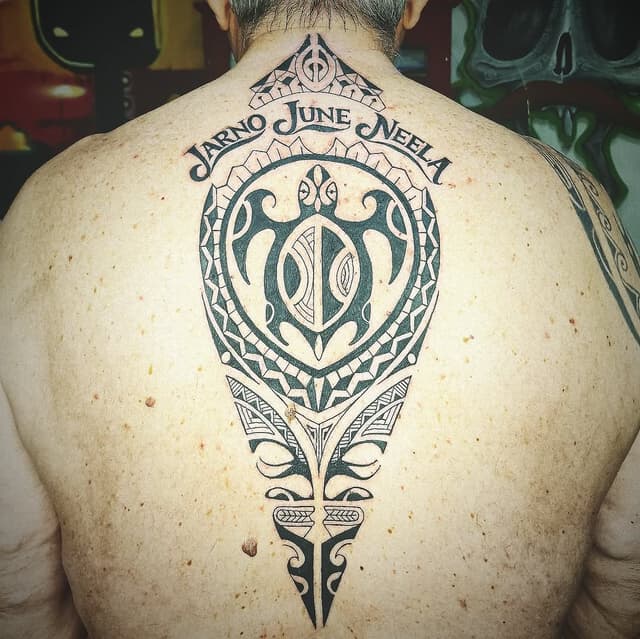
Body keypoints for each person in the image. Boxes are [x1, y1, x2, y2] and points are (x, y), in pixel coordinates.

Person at [1, 1, 639, 637]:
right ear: (413, 5)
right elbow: (623, 584)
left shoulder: (49, 212)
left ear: (219, 4)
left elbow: (20, 593)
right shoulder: (577, 209)